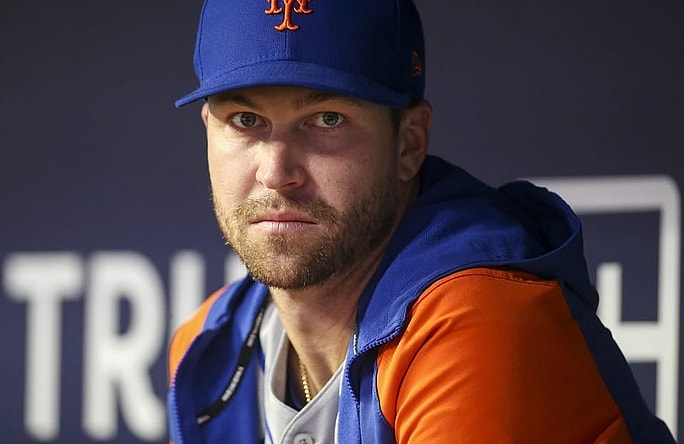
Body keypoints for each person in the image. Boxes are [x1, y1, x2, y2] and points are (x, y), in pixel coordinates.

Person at [167, 0, 676, 442]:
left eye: (326, 120)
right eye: (246, 121)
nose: (277, 173)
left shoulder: (482, 317)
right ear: (209, 131)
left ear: (408, 143)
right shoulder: (211, 344)